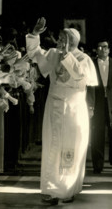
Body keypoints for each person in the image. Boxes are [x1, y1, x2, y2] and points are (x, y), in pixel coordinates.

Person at [25, 17, 98, 205]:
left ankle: (68, 189)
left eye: (62, 39)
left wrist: (67, 56)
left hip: (74, 111)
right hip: (55, 108)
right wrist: (34, 34)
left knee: (72, 147)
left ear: (72, 42)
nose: (58, 41)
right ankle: (50, 191)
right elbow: (34, 54)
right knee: (52, 147)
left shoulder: (84, 58)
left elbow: (81, 76)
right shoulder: (53, 54)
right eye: (58, 38)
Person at [89, 38, 112, 174]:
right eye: (99, 47)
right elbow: (88, 86)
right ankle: (98, 165)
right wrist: (89, 106)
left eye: (104, 47)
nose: (101, 49)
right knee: (97, 134)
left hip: (111, 102)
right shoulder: (91, 64)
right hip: (97, 103)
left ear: (109, 49)